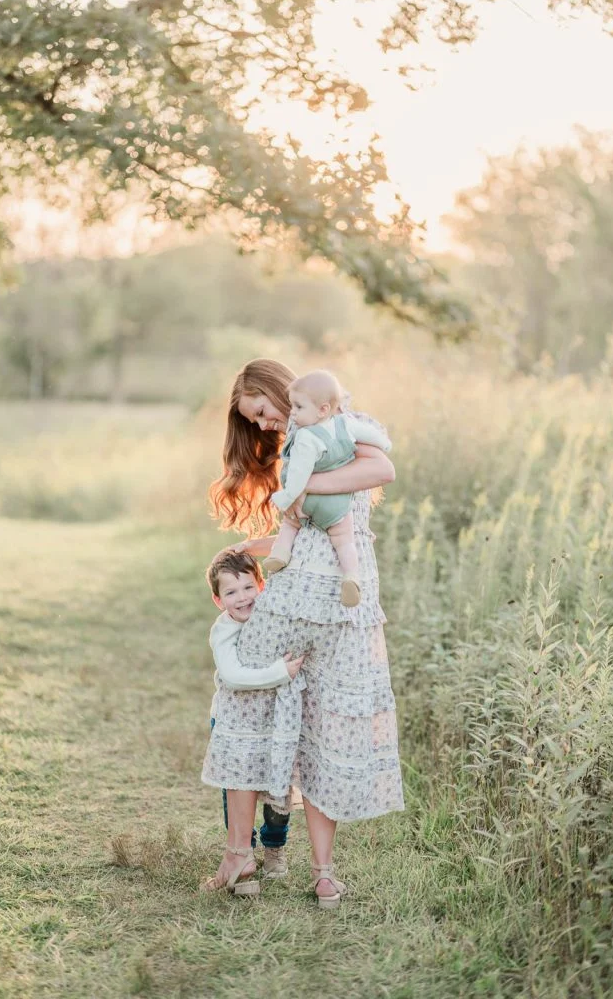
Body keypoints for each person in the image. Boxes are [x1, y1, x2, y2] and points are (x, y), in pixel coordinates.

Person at [202, 359, 404, 909]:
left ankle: (315, 868)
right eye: (255, 420)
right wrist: (252, 548)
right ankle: (247, 855)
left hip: (343, 602)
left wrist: (301, 483)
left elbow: (381, 469)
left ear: (279, 393)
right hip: (305, 599)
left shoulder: (335, 422)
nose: (265, 425)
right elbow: (299, 525)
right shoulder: (291, 447)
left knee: (323, 728)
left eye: (264, 411)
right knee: (252, 712)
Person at [203, 549, 304, 892]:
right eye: (231, 592)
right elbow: (232, 676)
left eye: (248, 587)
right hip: (232, 723)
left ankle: (275, 849)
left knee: (278, 788)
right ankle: (242, 851)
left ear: (261, 584)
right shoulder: (223, 631)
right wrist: (280, 673)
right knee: (237, 787)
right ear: (218, 600)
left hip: (273, 723)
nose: (242, 598)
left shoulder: (270, 616)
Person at [265, 369, 392, 608]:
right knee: (345, 540)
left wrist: (289, 494)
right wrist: (385, 443)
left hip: (310, 500)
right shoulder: (345, 424)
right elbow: (369, 433)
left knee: (290, 523)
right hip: (339, 505)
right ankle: (351, 576)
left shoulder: (306, 437)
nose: (292, 412)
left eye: (298, 407)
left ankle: (279, 554)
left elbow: (300, 473)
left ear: (322, 409)